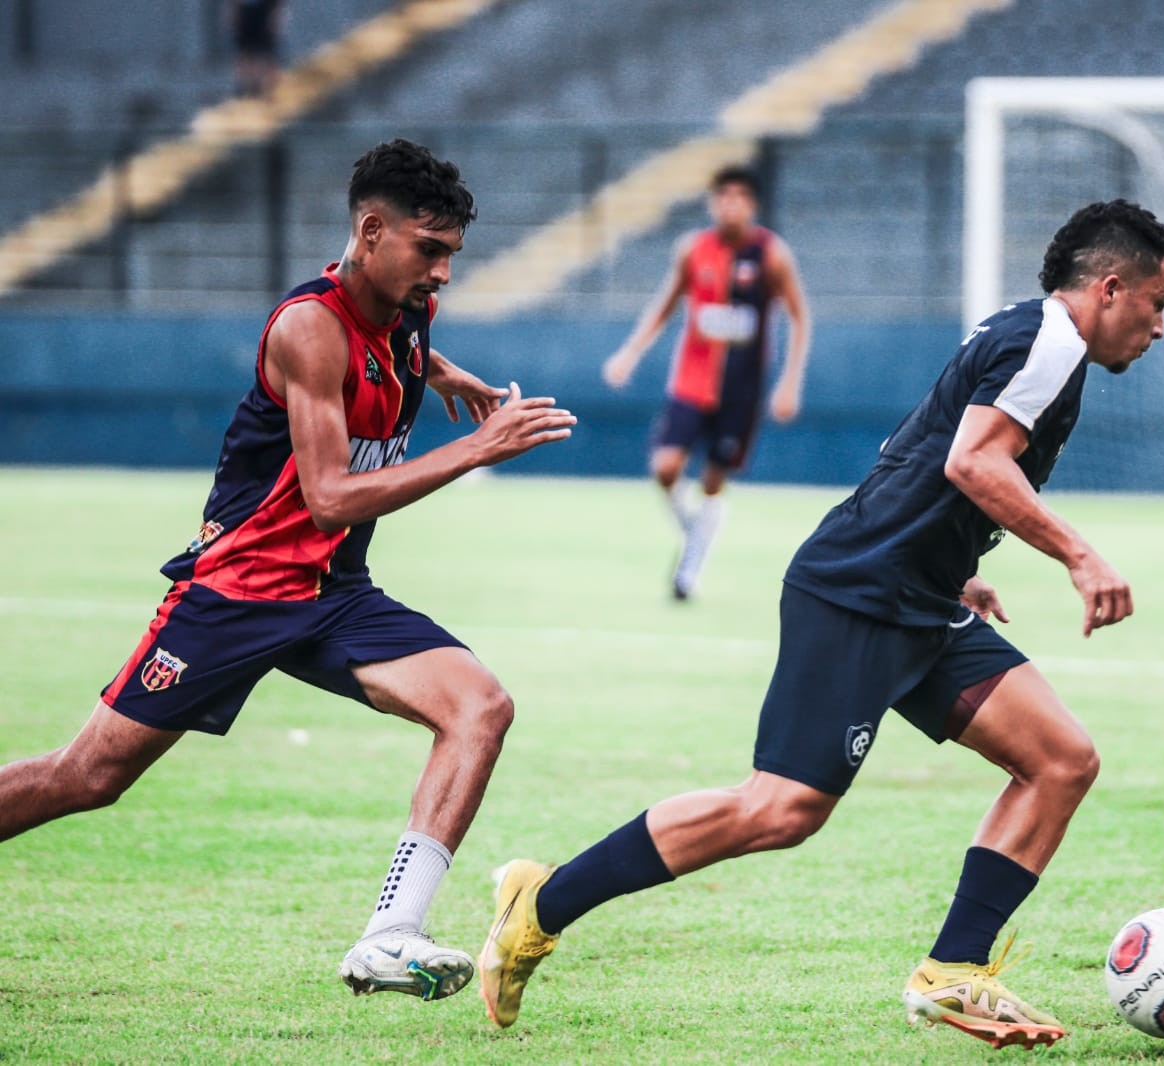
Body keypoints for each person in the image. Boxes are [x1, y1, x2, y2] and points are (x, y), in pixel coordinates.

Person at [480, 200, 1164, 1049]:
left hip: (920, 596)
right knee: (779, 810)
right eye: (1158, 305)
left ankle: (951, 972)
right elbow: (971, 459)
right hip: (859, 592)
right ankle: (540, 902)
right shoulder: (1051, 342)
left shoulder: (1033, 334)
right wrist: (1081, 557)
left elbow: (922, 450)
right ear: (1111, 288)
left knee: (1060, 760)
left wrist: (958, 564)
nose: (1159, 327)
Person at [0, 139, 576, 1003]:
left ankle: (390, 934)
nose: (444, 273)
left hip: (335, 596)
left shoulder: (404, 306)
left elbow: (401, 351)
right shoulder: (308, 327)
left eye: (453, 254)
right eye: (431, 250)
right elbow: (333, 497)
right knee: (87, 778)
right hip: (240, 592)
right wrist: (475, 449)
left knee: (480, 706)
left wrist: (450, 377)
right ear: (371, 232)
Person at [601, 164, 810, 600]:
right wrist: (630, 351)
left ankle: (693, 556)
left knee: (714, 482)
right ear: (713, 201)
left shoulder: (770, 254)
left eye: (739, 196)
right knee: (665, 467)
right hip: (692, 381)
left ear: (751, 203)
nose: (729, 204)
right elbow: (667, 302)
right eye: (722, 195)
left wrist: (790, 381)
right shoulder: (694, 250)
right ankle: (697, 534)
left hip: (741, 389)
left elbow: (798, 316)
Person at [227, 0, 286, 98]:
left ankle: (271, 88)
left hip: (265, 10)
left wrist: (277, 13)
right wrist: (233, 10)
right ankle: (244, 87)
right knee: (244, 52)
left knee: (267, 52)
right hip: (245, 11)